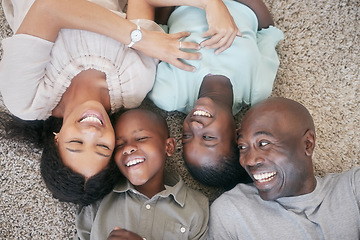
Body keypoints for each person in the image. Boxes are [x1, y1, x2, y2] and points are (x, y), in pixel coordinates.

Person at [0, 0, 240, 205]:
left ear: (56, 138)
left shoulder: (26, 100)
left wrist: (138, 38)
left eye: (76, 141)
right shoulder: (134, 85)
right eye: (103, 147)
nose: (92, 132)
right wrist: (210, 3)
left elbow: (48, 8)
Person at [148, 0, 284, 189]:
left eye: (186, 136)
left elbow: (156, 30)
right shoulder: (257, 89)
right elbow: (267, 31)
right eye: (207, 138)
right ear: (238, 137)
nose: (194, 126)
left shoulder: (168, 93)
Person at [207, 97, 360, 239]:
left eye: (264, 143)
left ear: (308, 144)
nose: (250, 160)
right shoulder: (232, 212)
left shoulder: (353, 188)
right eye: (242, 146)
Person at [75, 109, 209, 240]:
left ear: (168, 146)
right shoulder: (100, 197)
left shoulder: (196, 207)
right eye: (119, 145)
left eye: (141, 138)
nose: (128, 148)